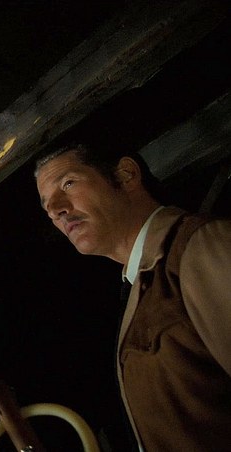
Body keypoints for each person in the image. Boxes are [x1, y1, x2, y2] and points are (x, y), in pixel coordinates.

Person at [34, 143, 231, 451]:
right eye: (46, 205)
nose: (56, 210)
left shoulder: (201, 245)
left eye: (68, 184)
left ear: (127, 175)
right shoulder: (139, 281)